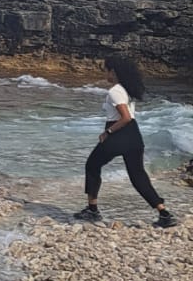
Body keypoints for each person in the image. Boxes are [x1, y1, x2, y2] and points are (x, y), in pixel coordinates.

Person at [75, 55, 177, 226]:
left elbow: (125, 117)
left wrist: (107, 132)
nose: (104, 74)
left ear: (113, 72)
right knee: (138, 176)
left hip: (119, 134)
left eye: (105, 70)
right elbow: (130, 118)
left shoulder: (115, 91)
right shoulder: (126, 89)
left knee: (92, 165)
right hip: (134, 136)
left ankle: (92, 210)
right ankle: (164, 213)